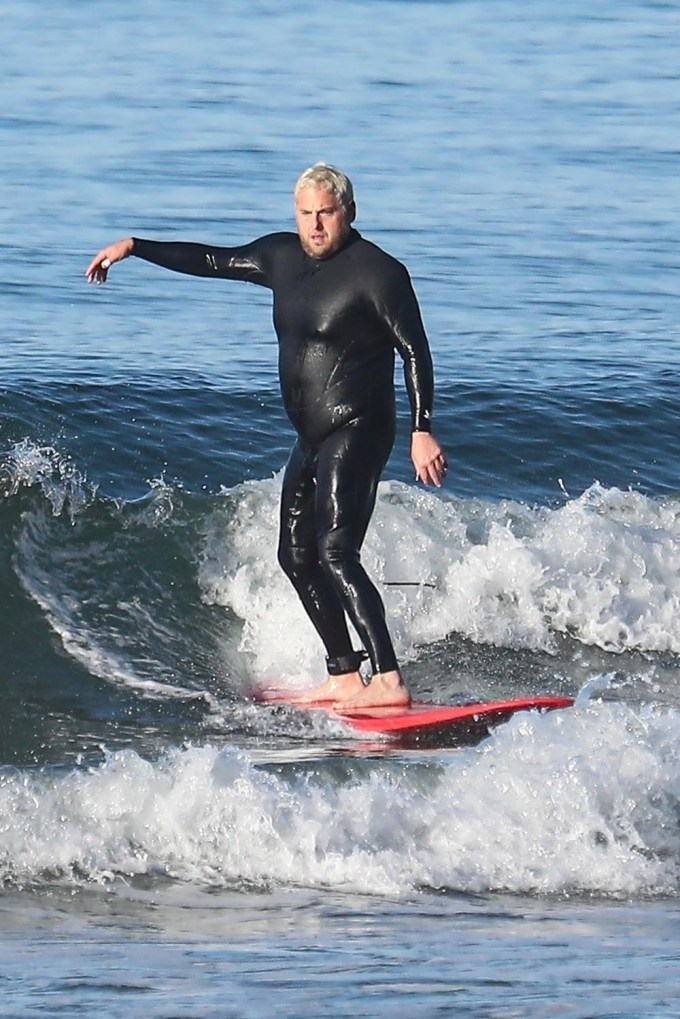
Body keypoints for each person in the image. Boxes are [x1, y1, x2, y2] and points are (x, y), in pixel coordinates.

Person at [86, 163, 446, 708]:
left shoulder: (380, 273)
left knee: (335, 550)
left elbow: (415, 350)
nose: (316, 226)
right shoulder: (281, 256)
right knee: (295, 554)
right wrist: (135, 246)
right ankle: (345, 675)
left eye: (326, 213)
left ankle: (389, 680)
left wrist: (423, 429)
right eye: (306, 214)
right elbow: (212, 260)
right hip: (312, 436)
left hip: (360, 428)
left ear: (348, 211)